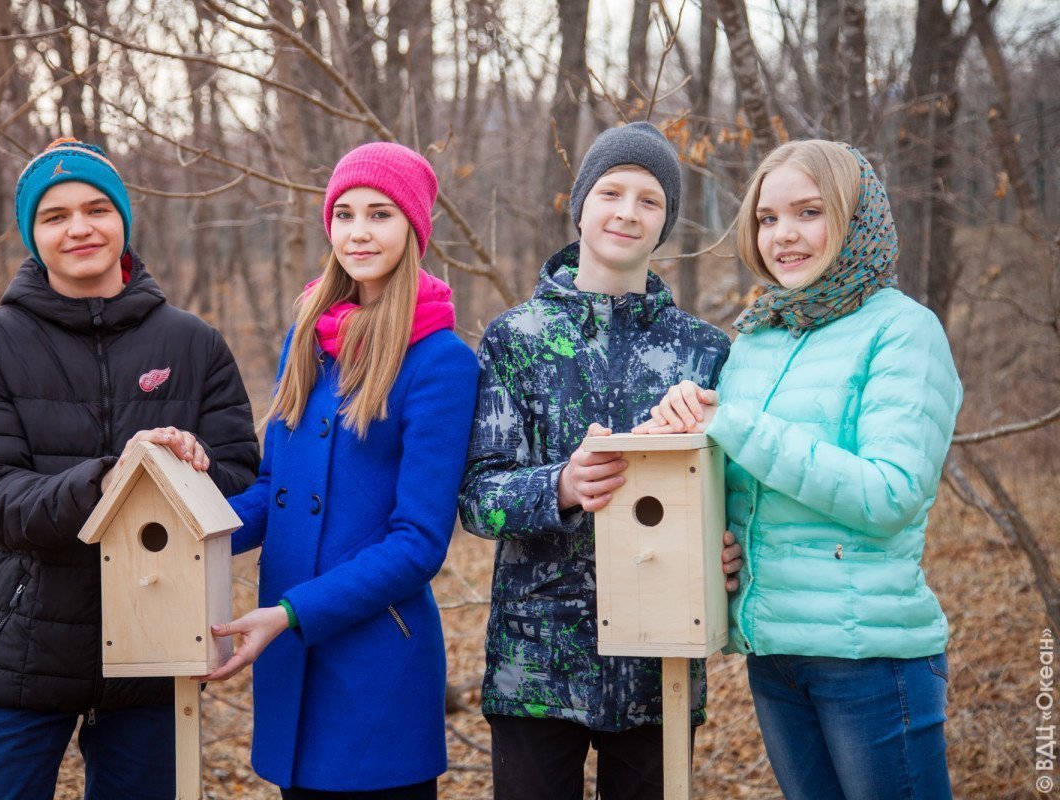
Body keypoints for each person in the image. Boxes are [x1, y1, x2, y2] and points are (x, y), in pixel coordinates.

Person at [637, 140, 961, 799]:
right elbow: (746, 483)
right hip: (774, 653)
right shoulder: (759, 336)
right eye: (767, 218)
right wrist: (707, 523)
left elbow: (889, 494)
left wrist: (733, 422)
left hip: (870, 659)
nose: (783, 235)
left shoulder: (902, 330)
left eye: (808, 212)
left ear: (854, 217)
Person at [0, 138, 260, 799]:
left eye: (96, 208)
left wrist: (187, 471)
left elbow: (238, 474)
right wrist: (105, 482)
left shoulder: (192, 342)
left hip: (158, 647)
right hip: (26, 646)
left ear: (123, 220)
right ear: (33, 235)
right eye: (54, 216)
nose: (79, 227)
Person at [459, 121, 740, 799]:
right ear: (579, 203)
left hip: (660, 660)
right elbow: (476, 496)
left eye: (649, 200)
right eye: (611, 191)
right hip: (536, 667)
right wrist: (560, 484)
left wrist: (731, 550)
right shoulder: (514, 338)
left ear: (666, 221)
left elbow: (731, 492)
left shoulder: (703, 351)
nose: (627, 212)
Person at [201, 142, 478, 799]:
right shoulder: (306, 337)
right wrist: (195, 529)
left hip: (376, 665)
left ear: (413, 229)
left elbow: (418, 542)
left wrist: (291, 613)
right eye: (345, 213)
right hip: (292, 659)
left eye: (380, 214)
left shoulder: (441, 360)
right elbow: (275, 491)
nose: (358, 232)